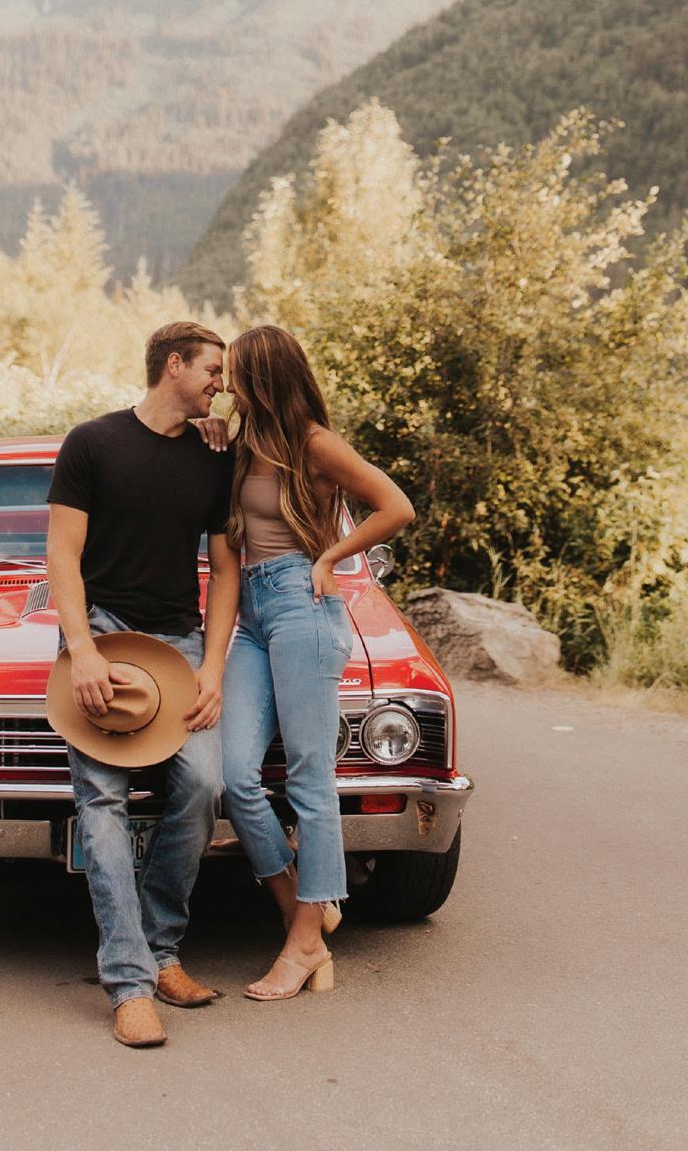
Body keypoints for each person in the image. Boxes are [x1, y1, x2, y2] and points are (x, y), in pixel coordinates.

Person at [46, 319, 240, 1050]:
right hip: (100, 635)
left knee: (203, 785)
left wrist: (213, 666)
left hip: (179, 644)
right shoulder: (91, 442)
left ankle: (162, 950)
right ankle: (129, 984)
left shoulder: (215, 458)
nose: (221, 385)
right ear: (174, 365)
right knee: (101, 802)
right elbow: (61, 556)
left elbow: (225, 570)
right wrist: (82, 653)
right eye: (213, 371)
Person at [210, 323, 414, 1001]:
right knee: (233, 775)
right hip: (252, 615)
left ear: (264, 377)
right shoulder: (241, 443)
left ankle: (302, 943)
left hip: (303, 604)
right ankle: (300, 907)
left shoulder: (316, 444)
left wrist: (331, 556)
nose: (227, 384)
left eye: (236, 372)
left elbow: (396, 507)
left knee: (309, 779)